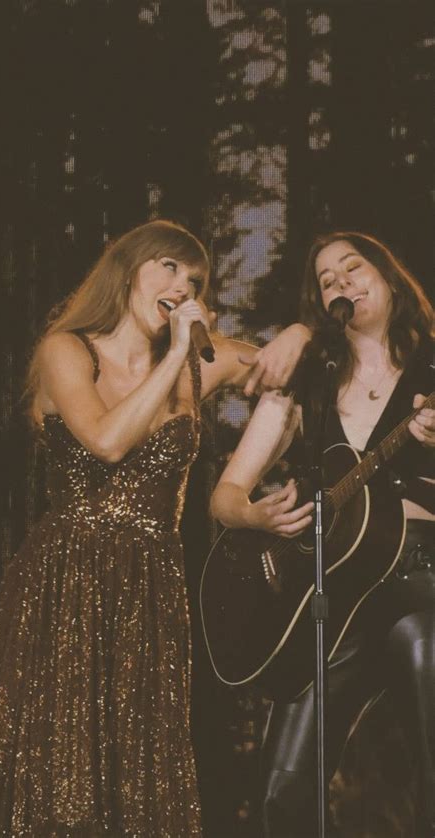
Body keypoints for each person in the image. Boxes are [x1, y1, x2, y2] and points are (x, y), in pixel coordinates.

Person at [0, 219, 310, 836]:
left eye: (196, 277)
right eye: (169, 267)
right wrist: (177, 352)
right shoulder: (67, 349)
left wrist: (300, 335)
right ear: (128, 272)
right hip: (62, 582)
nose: (185, 283)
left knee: (139, 769)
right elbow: (106, 441)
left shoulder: (202, 360)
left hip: (150, 583)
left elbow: (294, 377)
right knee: (59, 766)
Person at [210, 231, 435, 837]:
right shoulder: (308, 380)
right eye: (326, 280)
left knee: (424, 646)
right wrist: (258, 516)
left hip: (422, 579)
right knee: (283, 795)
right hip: (330, 599)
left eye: (353, 268)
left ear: (388, 276)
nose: (341, 284)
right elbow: (226, 495)